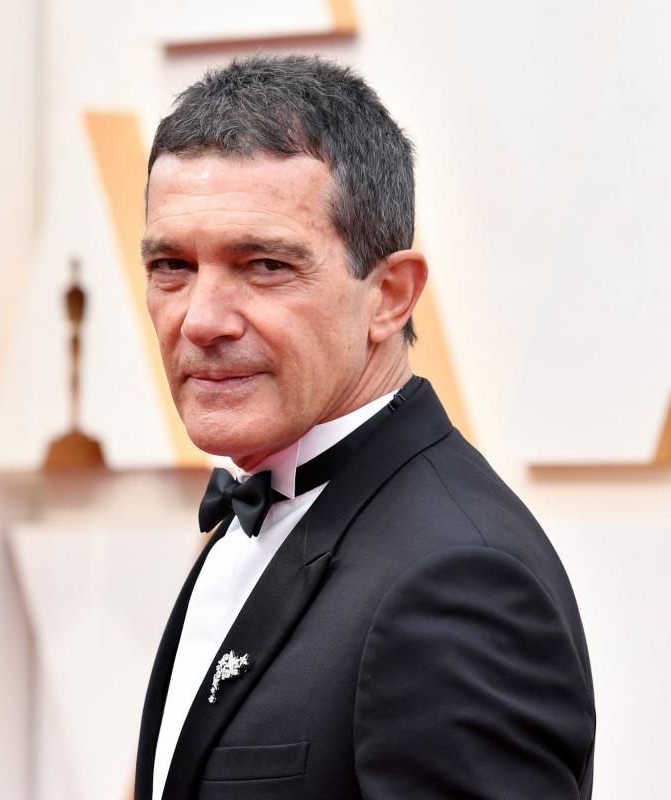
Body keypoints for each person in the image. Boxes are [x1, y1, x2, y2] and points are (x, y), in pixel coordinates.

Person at [135, 55, 595, 800]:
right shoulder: (257, 507)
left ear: (389, 296)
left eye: (264, 265)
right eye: (172, 266)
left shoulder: (456, 581)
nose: (201, 320)